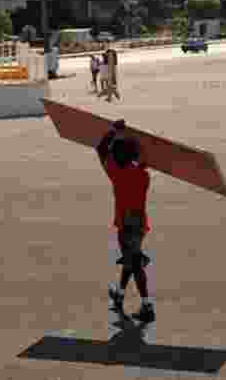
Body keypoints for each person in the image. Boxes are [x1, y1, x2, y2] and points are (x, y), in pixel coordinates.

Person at [98, 120, 155, 324]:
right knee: (130, 260)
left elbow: (101, 149)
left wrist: (114, 131)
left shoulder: (116, 174)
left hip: (126, 223)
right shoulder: (143, 176)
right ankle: (120, 294)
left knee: (135, 263)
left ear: (117, 157)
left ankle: (147, 306)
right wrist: (132, 138)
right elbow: (142, 157)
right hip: (140, 223)